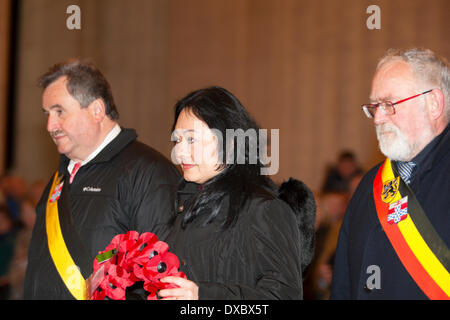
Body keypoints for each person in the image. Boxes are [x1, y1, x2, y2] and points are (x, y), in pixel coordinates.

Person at [24, 60, 180, 299]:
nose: (50, 125)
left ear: (97, 110)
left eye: (59, 112)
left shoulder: (149, 173)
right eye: (47, 114)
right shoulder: (58, 180)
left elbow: (161, 276)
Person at [157, 86, 316, 299]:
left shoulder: (264, 210)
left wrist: (203, 296)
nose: (179, 152)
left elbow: (283, 295)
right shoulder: (185, 207)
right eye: (177, 140)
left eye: (191, 139)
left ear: (230, 143)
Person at [330, 48, 450, 299]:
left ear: (434, 103)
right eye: (375, 107)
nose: (377, 119)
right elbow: (343, 285)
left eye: (389, 104)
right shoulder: (368, 187)